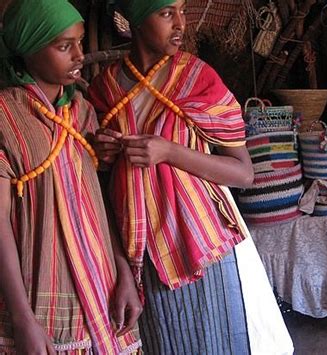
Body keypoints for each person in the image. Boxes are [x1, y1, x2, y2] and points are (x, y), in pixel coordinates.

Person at [89, 0, 294, 354]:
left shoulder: (197, 78)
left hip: (199, 245)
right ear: (135, 21)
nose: (181, 23)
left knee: (217, 341)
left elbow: (243, 174)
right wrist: (104, 155)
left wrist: (169, 152)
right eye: (167, 13)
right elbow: (98, 181)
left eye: (182, 11)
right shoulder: (106, 89)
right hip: (140, 250)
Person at [0, 0, 142, 353]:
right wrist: (22, 317)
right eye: (64, 46)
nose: (79, 55)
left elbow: (95, 201)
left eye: (80, 42)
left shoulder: (81, 112)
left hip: (101, 282)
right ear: (29, 50)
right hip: (40, 293)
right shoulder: (6, 115)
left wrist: (122, 270)